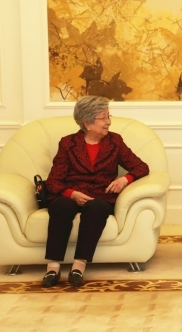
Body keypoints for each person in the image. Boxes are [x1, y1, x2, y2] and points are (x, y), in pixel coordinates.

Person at [42, 96, 149, 288]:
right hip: (72, 193)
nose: (108, 122)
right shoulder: (67, 143)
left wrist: (125, 179)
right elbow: (54, 180)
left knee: (97, 208)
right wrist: (71, 194)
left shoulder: (115, 141)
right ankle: (53, 267)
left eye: (109, 116)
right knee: (60, 206)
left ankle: (78, 266)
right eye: (103, 117)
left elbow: (141, 167)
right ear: (88, 123)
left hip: (100, 195)